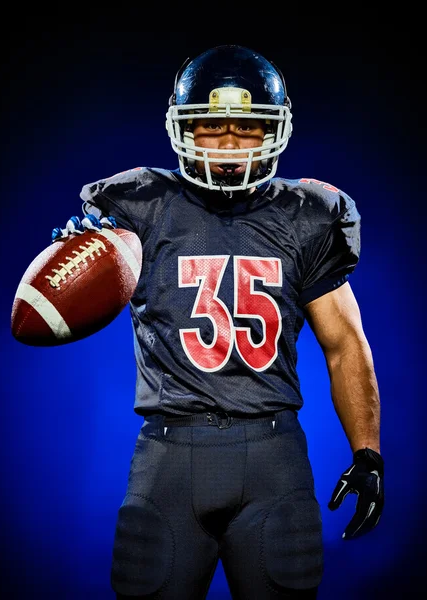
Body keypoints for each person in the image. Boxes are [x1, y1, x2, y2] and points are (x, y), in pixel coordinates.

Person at [51, 45, 384, 599]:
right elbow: (67, 295)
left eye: (246, 128)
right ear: (182, 128)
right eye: (211, 126)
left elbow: (345, 344)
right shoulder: (135, 205)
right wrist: (81, 258)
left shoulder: (307, 216)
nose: (229, 145)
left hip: (273, 457)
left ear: (274, 131)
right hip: (167, 454)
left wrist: (367, 453)